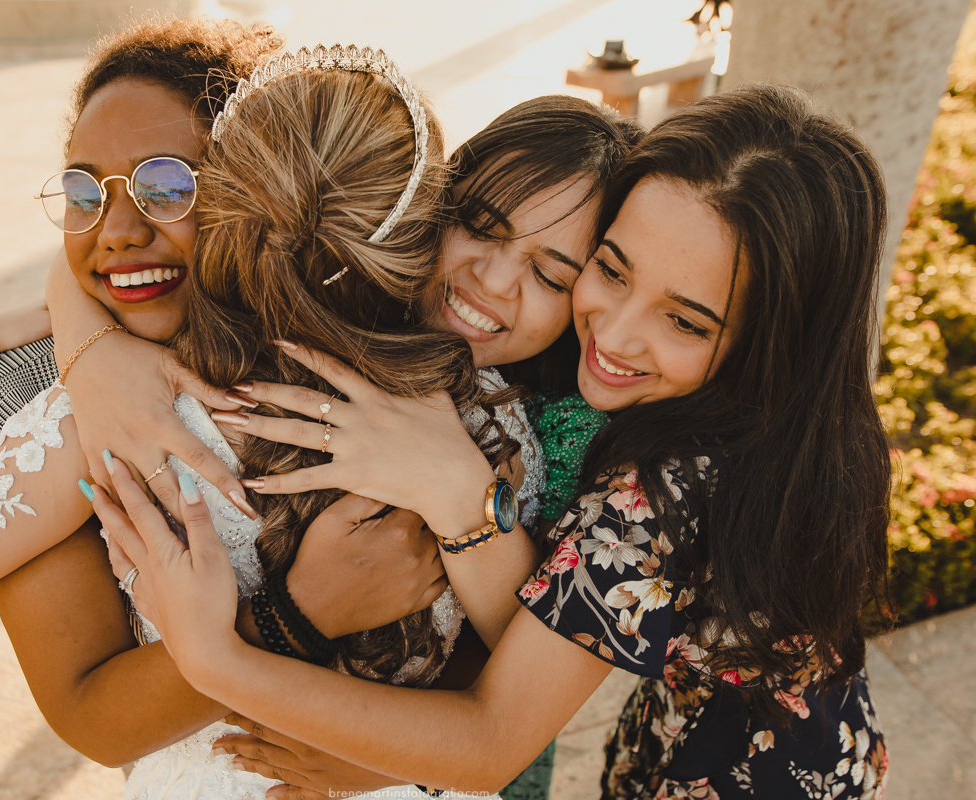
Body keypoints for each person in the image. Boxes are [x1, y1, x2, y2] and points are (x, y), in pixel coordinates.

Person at [0, 17, 639, 798]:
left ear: (237, 187)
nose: (119, 230)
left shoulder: (103, 415)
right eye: (85, 191)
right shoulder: (497, 428)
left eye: (166, 187)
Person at [98, 83, 894, 800]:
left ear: (769, 340)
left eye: (685, 321)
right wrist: (81, 335)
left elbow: (493, 737)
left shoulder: (658, 492)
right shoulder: (799, 421)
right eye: (613, 271)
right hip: (743, 738)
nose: (615, 335)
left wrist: (219, 660)